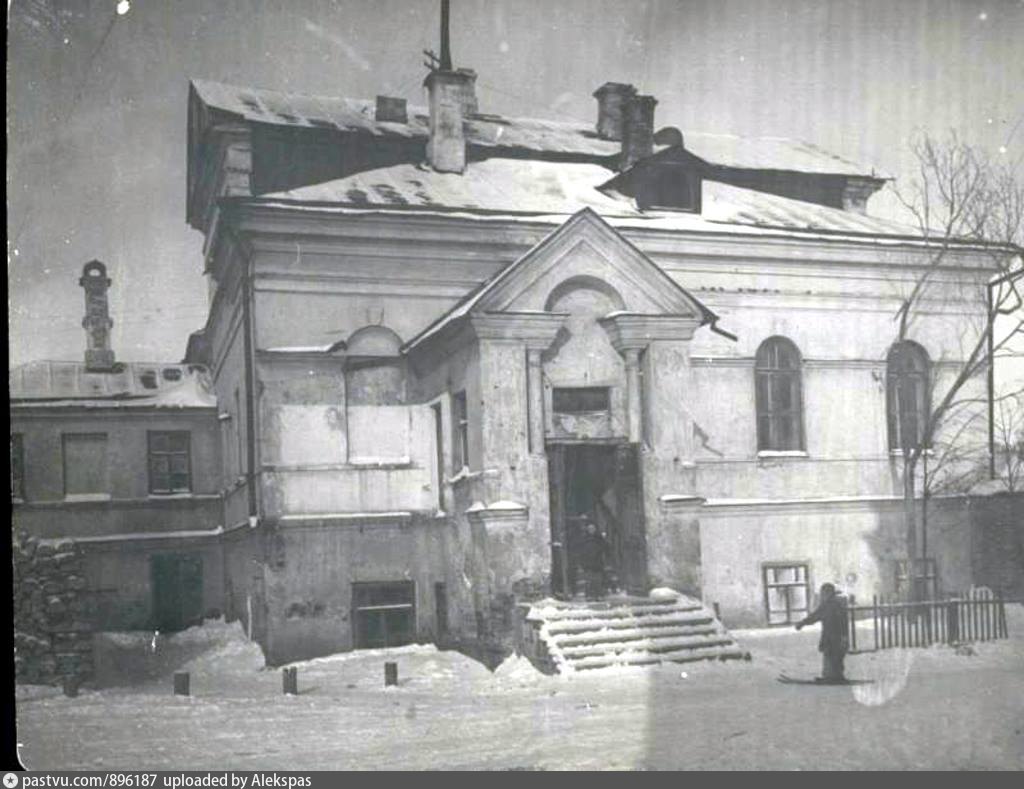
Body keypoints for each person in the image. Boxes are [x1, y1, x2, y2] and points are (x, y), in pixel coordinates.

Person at [795, 582, 849, 683]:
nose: (822, 596)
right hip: (836, 637)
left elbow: (814, 617)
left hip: (832, 637)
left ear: (828, 593)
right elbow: (815, 616)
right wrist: (844, 637)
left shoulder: (828, 605)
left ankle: (831, 677)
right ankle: (835, 676)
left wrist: (802, 623)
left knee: (830, 656)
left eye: (823, 593)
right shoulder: (837, 605)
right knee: (836, 657)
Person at [577, 521, 609, 599]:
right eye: (590, 528)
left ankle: (599, 595)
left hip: (597, 562)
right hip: (587, 562)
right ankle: (589, 595)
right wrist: (582, 561)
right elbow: (581, 550)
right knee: (589, 580)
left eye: (593, 528)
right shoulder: (584, 538)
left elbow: (605, 547)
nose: (591, 530)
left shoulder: (599, 538)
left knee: (598, 580)